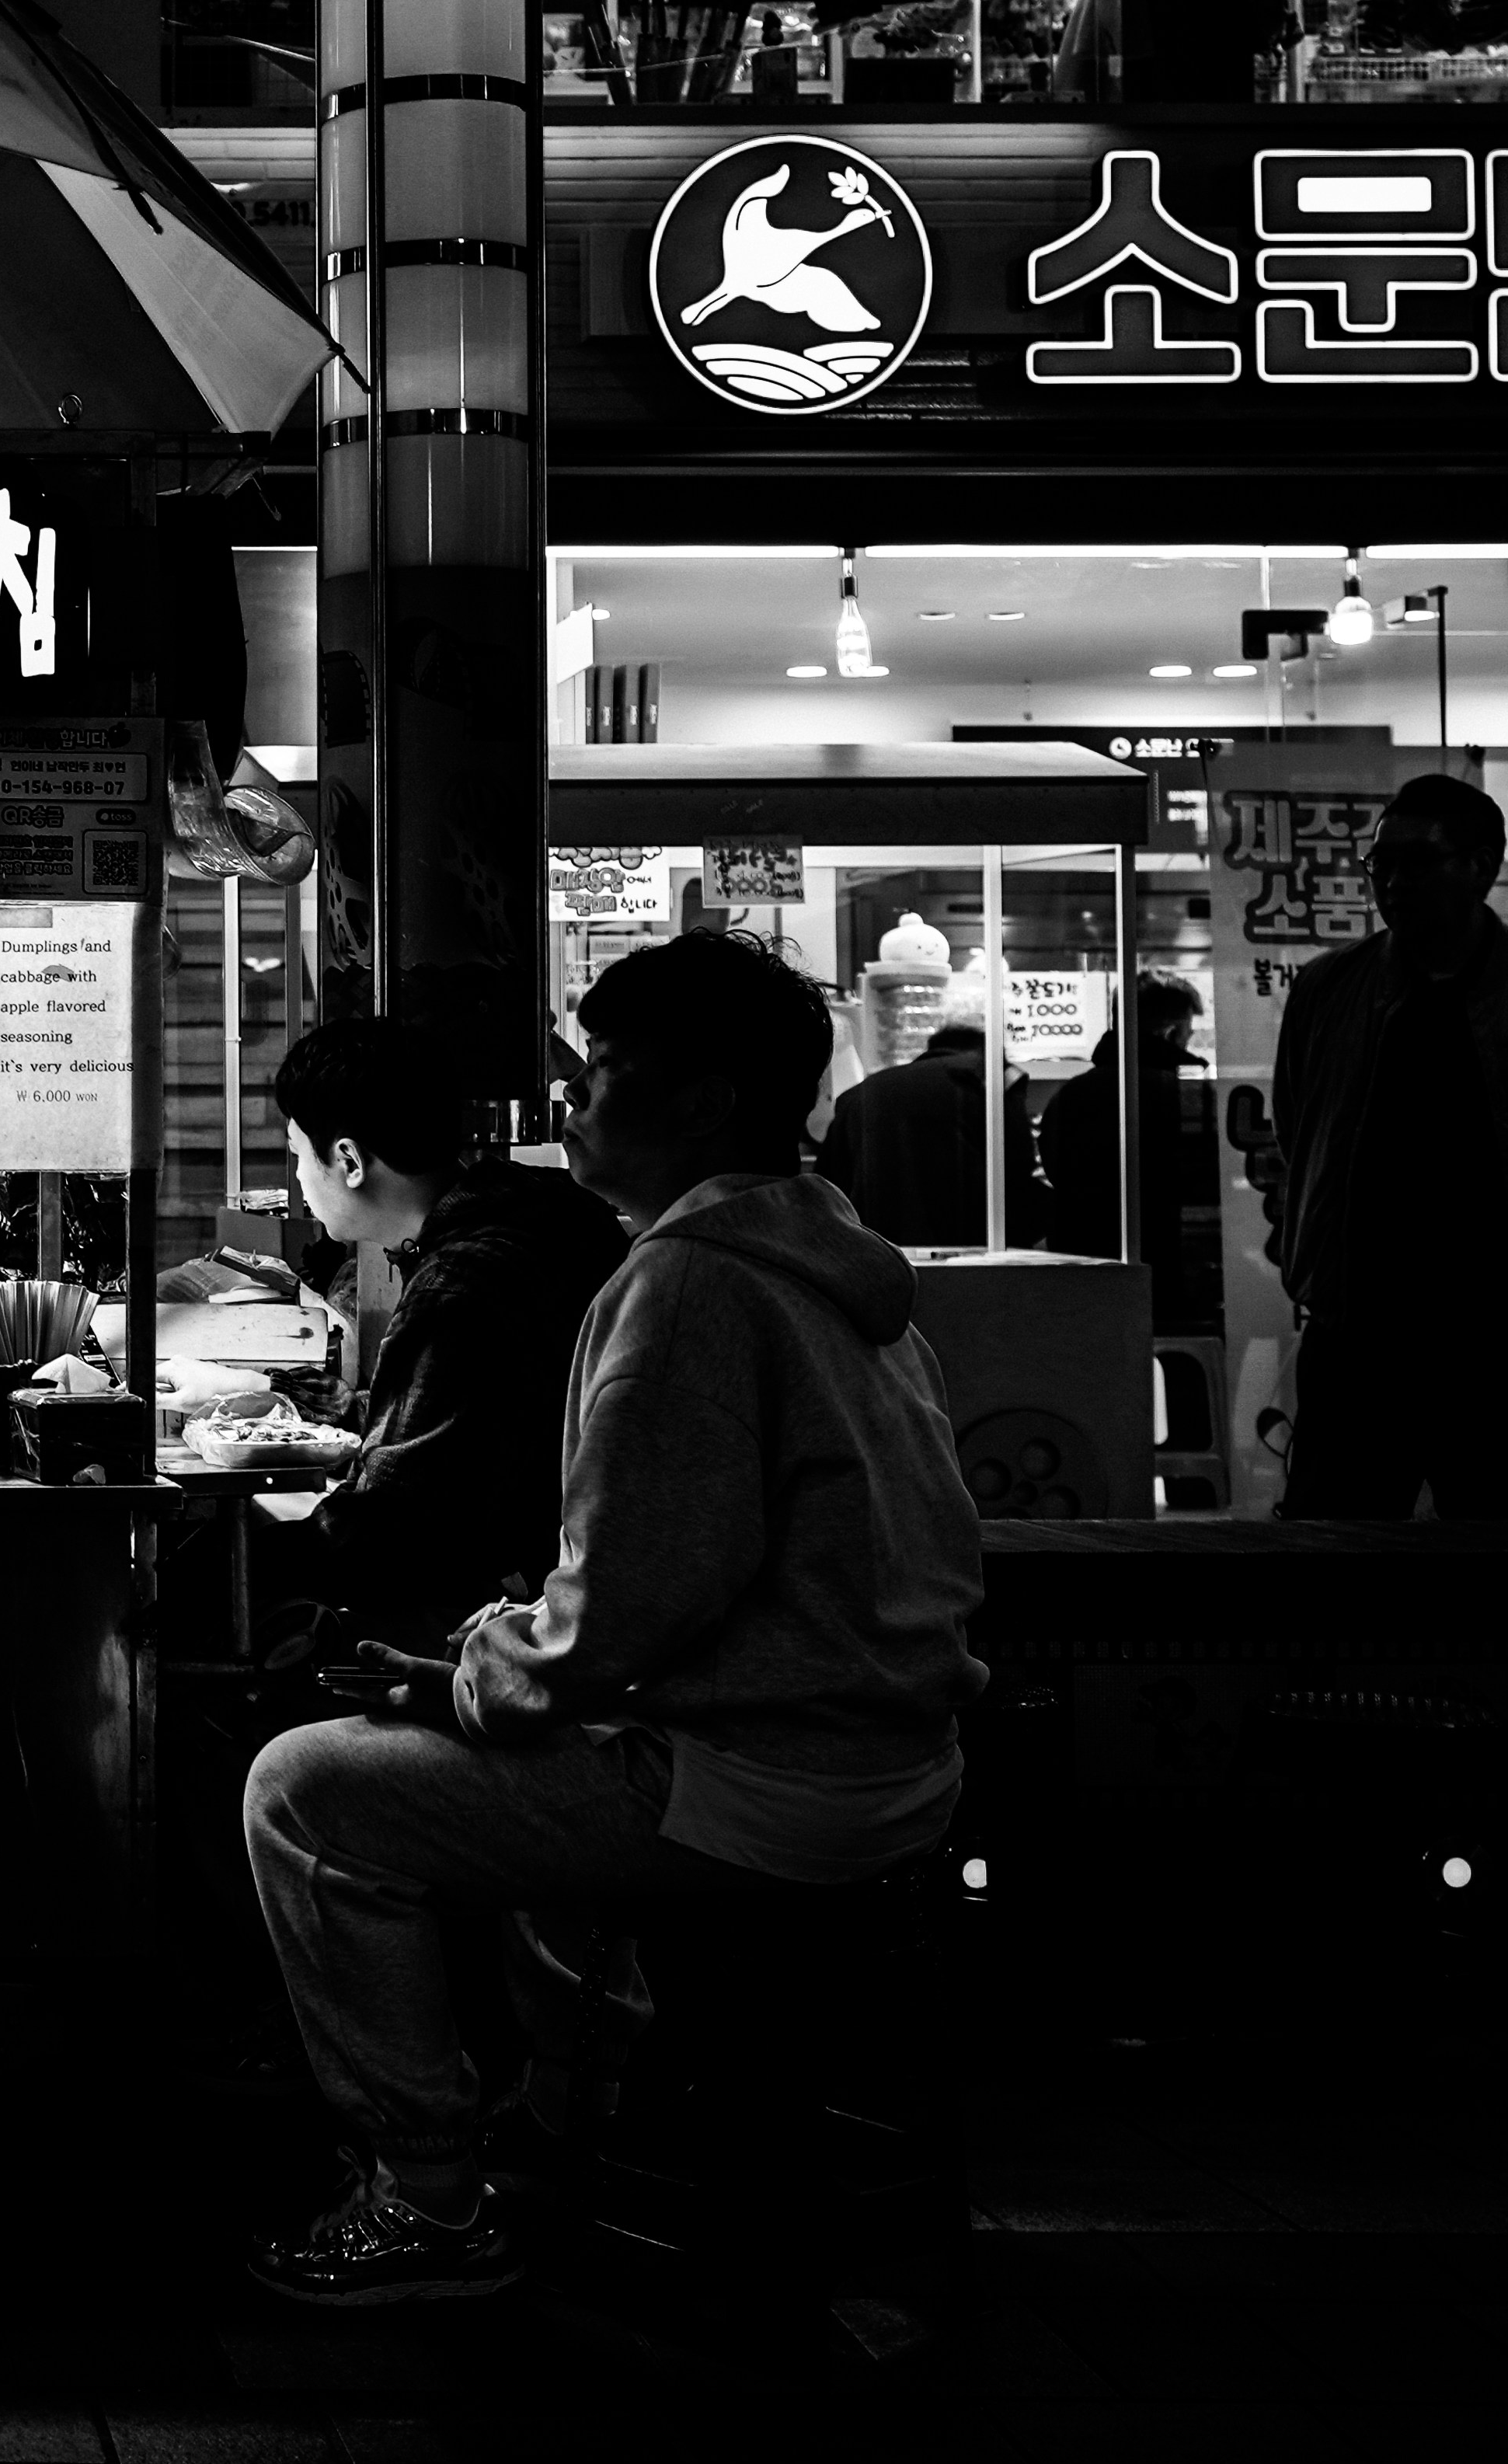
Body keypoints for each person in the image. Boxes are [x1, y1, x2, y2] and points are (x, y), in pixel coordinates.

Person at [238, 929, 984, 2306]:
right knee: (485, 1726)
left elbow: (622, 1614)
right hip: (890, 1760)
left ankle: (428, 2197)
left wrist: (479, 1674)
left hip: (762, 1780)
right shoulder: (828, 1259)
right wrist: (482, 1669)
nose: (570, 1098)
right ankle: (563, 2115)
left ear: (702, 1102)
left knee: (302, 1790)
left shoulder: (689, 1283)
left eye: (604, 1069)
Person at [1273, 774, 1508, 1518]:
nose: (1391, 882)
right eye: (1380, 863)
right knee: (1335, 1539)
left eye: (1417, 861)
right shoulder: (1328, 988)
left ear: (1482, 867)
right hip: (1362, 1330)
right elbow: (1300, 1128)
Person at [275, 1015, 630, 1650]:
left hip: (511, 1613)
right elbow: (472, 1419)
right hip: (575, 1583)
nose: (300, 1178)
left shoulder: (460, 1284)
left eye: (299, 1154)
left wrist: (233, 1558)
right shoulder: (555, 1214)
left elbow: (385, 1532)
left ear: (349, 1160)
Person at [817, 974, 1034, 1249]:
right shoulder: (991, 1083)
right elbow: (1017, 1179)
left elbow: (827, 1196)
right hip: (970, 1263)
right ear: (998, 1031)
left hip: (875, 1261)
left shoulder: (860, 1096)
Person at [1035, 970, 1205, 1272]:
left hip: (1083, 1261)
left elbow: (1055, 1173)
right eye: (1189, 1030)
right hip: (1170, 1258)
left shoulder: (1070, 1095)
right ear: (1172, 1032)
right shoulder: (1186, 1095)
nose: (1189, 1039)